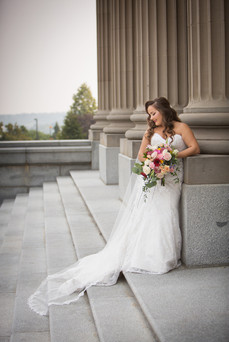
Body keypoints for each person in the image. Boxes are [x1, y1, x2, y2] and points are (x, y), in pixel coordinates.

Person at [28, 97, 200, 316]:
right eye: (149, 114)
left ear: (164, 111)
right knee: (150, 214)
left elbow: (194, 148)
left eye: (153, 113)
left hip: (172, 179)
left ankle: (163, 255)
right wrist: (155, 160)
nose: (151, 118)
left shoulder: (181, 127)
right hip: (154, 178)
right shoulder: (149, 133)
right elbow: (141, 156)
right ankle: (148, 255)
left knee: (166, 212)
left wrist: (171, 156)